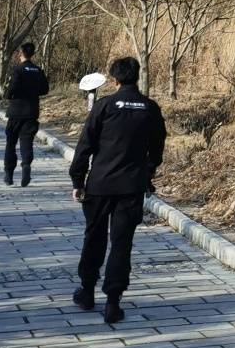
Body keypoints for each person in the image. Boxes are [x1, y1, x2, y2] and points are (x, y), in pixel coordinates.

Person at [69, 55, 166, 326]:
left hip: (99, 185)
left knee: (94, 237)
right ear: (137, 77)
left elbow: (85, 144)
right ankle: (113, 301)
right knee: (122, 243)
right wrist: (147, 172)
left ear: (114, 79)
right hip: (131, 187)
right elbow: (157, 147)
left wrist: (78, 180)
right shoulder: (150, 108)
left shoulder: (104, 106)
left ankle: (87, 292)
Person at [3, 42, 49, 187]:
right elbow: (45, 89)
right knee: (26, 142)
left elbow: (10, 91)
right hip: (31, 112)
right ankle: (26, 166)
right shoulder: (38, 70)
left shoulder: (17, 70)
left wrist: (10, 94)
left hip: (16, 113)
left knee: (11, 143)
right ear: (33, 54)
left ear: (21, 53)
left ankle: (9, 174)